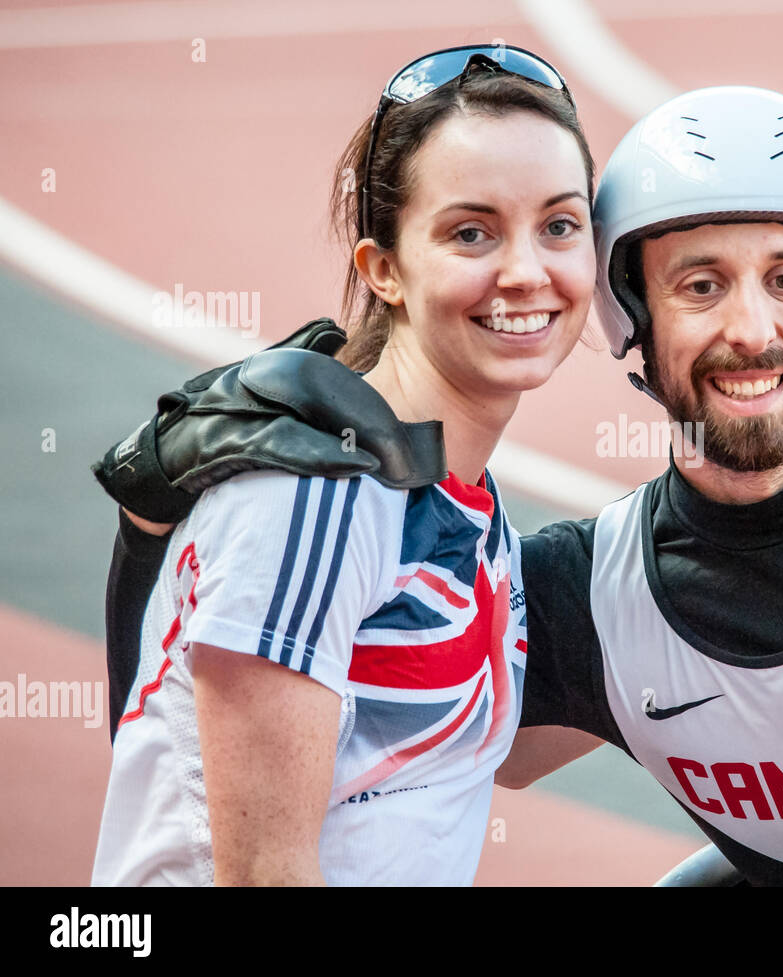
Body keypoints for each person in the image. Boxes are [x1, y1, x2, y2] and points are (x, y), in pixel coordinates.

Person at [99, 85, 783, 886]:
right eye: (698, 283)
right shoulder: (569, 589)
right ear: (631, 315)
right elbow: (195, 765)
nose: (749, 328)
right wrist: (154, 528)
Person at [89, 44, 597, 885]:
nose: (524, 271)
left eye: (559, 225)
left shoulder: (462, 501)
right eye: (472, 231)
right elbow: (265, 874)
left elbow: (485, 756)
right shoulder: (312, 493)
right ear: (385, 270)